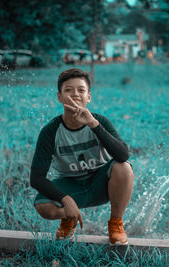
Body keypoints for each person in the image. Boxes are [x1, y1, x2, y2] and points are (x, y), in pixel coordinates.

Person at [30, 68, 134, 245]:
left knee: (123, 168)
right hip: (71, 185)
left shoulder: (100, 121)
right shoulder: (50, 131)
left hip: (101, 184)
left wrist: (93, 124)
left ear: (89, 96)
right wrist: (66, 199)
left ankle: (116, 224)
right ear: (60, 97)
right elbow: (36, 178)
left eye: (81, 90)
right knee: (43, 206)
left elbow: (123, 155)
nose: (75, 94)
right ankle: (69, 218)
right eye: (68, 90)